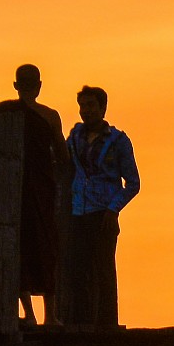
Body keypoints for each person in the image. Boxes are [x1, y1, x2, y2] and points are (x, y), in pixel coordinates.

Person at [0, 65, 66, 320]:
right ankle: (50, 315)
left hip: (14, 192)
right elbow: (64, 158)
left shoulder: (1, 112)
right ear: (39, 85)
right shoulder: (50, 116)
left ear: (15, 85)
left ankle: (29, 314)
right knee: (45, 249)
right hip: (41, 192)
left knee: (18, 249)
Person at [65, 86, 139, 329]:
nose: (86, 111)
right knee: (77, 270)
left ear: (103, 108)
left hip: (103, 213)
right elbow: (65, 165)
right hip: (78, 211)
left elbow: (133, 183)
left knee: (104, 270)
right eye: (83, 105)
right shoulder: (75, 136)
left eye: (91, 105)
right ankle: (80, 322)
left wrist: (113, 208)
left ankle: (106, 324)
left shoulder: (118, 140)